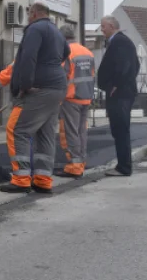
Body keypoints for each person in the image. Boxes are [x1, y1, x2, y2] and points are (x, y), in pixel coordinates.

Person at [0, 3, 70, 194]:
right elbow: (66, 53)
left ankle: (21, 179)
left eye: (29, 14)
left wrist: (25, 85)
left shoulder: (35, 29)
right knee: (45, 134)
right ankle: (43, 179)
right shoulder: (56, 31)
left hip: (39, 90)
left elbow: (28, 57)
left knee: (17, 130)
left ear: (35, 13)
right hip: (57, 88)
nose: (28, 18)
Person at [96, 15, 139, 177]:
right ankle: (123, 165)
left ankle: (124, 167)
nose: (102, 29)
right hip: (122, 92)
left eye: (104, 26)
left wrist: (115, 85)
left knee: (120, 130)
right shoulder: (121, 42)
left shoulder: (119, 42)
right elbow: (136, 64)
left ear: (112, 26)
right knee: (119, 129)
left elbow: (125, 66)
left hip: (120, 94)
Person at [57, 24, 95, 179]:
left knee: (71, 132)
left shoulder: (66, 53)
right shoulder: (87, 52)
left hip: (71, 98)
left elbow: (62, 76)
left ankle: (74, 166)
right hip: (86, 97)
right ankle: (81, 162)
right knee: (81, 132)